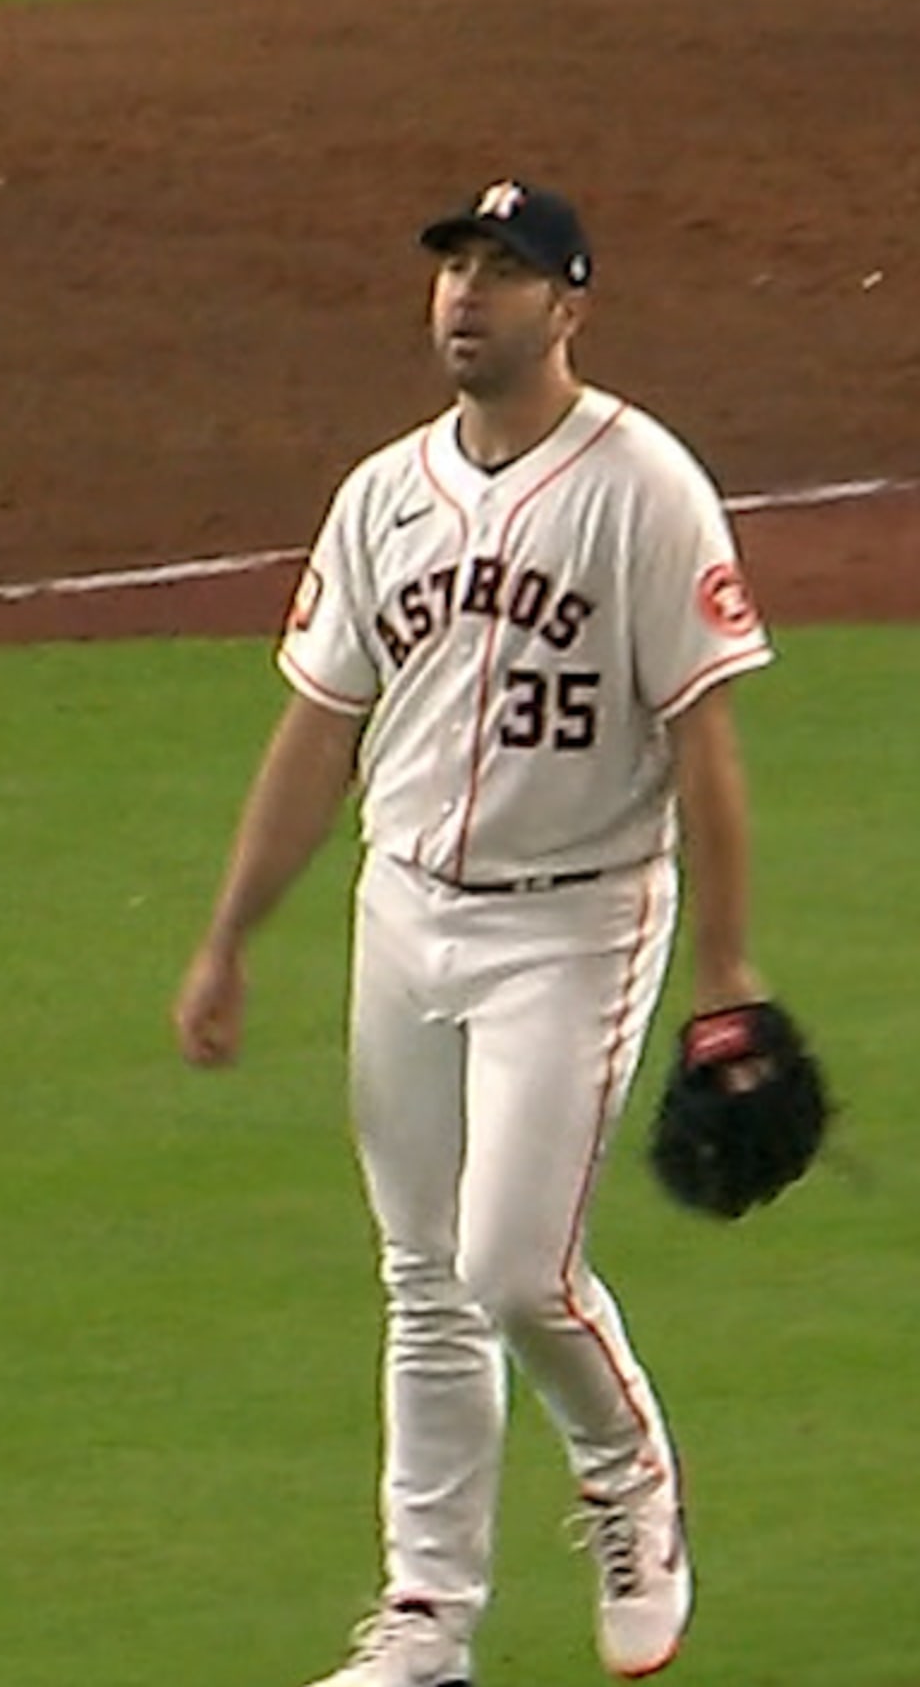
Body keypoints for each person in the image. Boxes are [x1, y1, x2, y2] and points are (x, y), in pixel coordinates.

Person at [172, 178, 776, 1687]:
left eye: (505, 272)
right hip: (407, 914)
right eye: (453, 266)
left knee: (514, 1267)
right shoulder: (381, 496)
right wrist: (232, 933)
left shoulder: (642, 487)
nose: (466, 295)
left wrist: (728, 974)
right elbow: (318, 731)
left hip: (575, 925)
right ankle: (427, 1625)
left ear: (568, 308)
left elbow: (706, 742)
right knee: (421, 1280)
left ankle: (630, 1475)